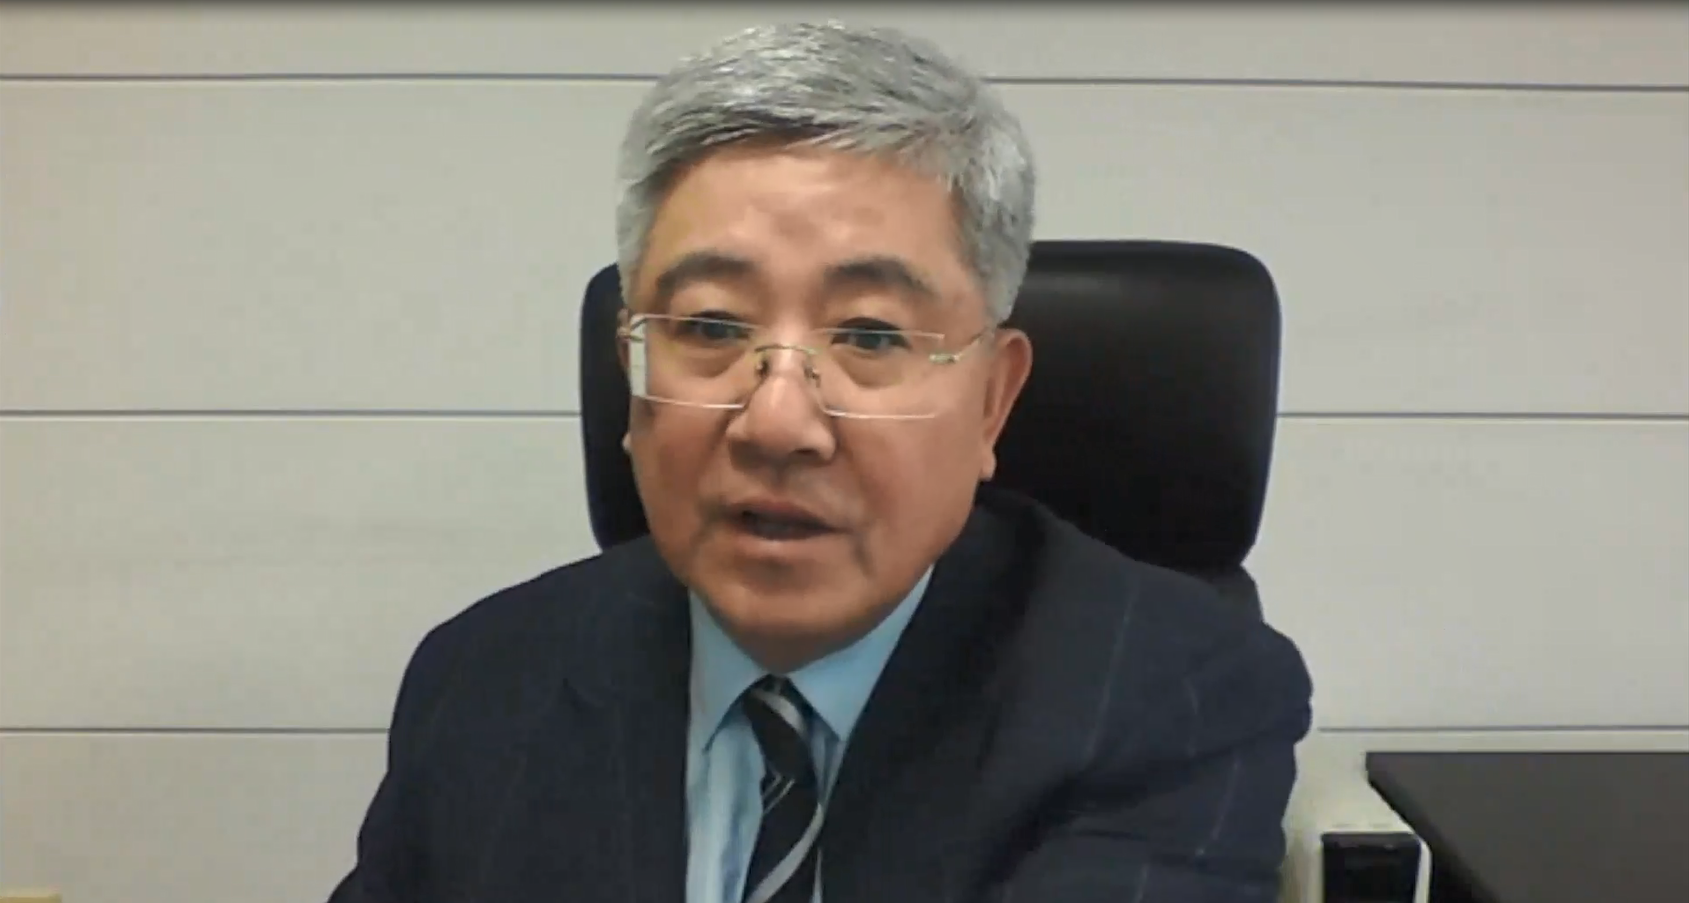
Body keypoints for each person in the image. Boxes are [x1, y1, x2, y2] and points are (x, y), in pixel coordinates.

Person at [328, 20, 1313, 903]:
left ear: (991, 401)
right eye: (711, 326)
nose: (777, 422)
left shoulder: (1171, 696)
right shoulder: (481, 678)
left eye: (871, 336)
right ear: (629, 377)